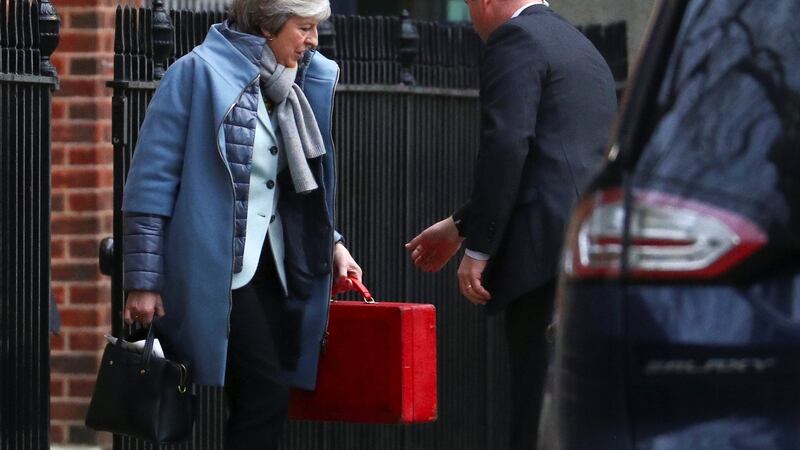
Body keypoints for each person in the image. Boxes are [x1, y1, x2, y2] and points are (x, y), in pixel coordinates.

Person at [119, 0, 362, 448]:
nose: (312, 41)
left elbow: (295, 193)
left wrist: (332, 244)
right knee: (264, 393)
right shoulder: (194, 74)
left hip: (276, 267)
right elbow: (149, 187)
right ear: (268, 27)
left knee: (263, 397)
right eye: (304, 28)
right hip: (219, 269)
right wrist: (143, 282)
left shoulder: (294, 85)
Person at [405, 0, 617, 448]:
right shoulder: (581, 46)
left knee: (535, 405)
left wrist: (478, 250)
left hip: (540, 258)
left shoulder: (515, 39)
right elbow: (556, 161)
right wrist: (459, 225)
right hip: (586, 247)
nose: (472, 18)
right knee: (568, 406)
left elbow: (507, 146)